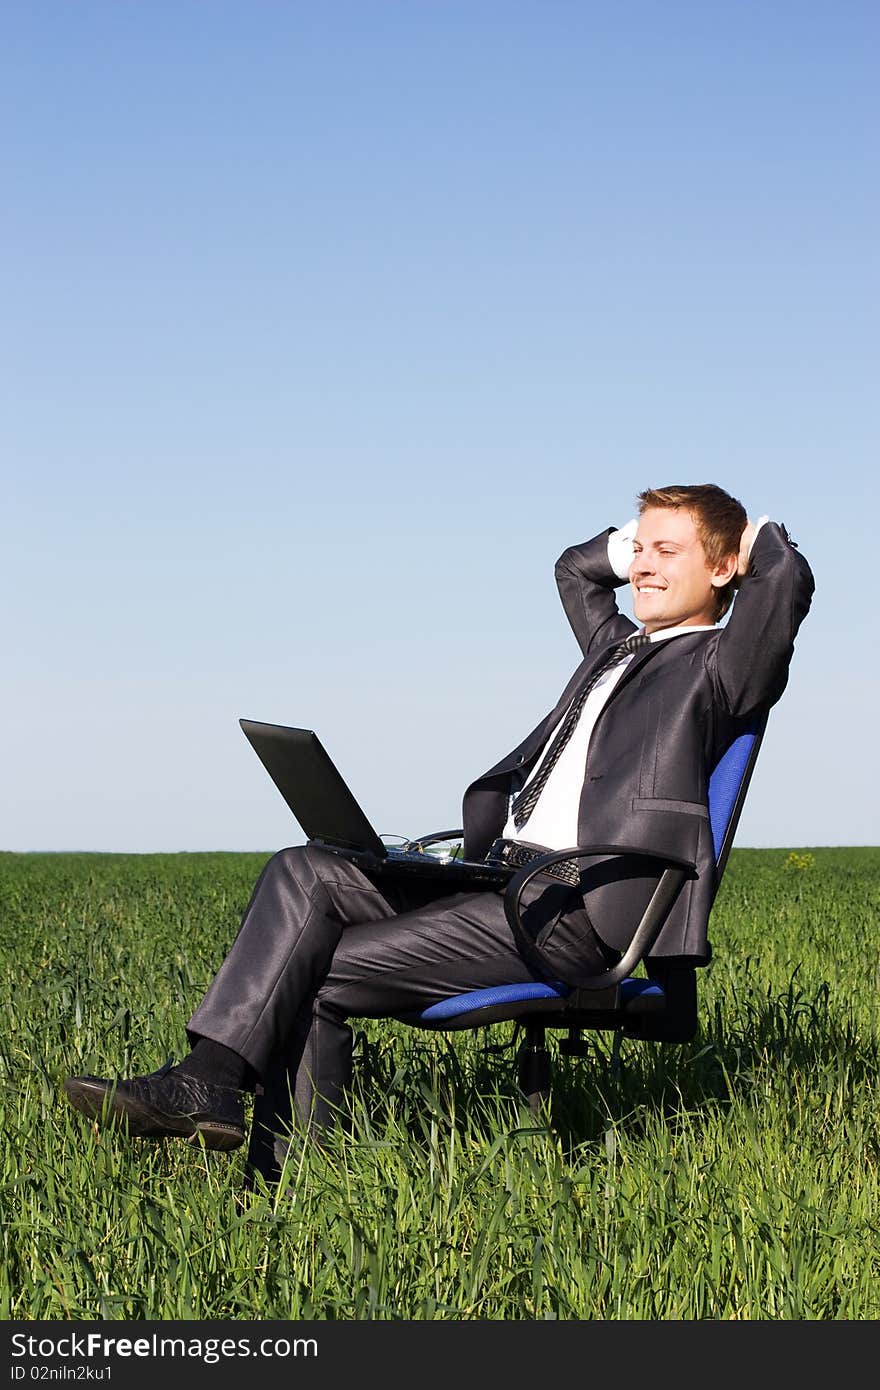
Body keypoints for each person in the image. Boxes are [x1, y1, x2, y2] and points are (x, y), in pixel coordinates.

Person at [64, 483, 814, 1153]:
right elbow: (573, 571)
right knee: (306, 868)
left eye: (667, 552)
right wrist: (636, 546)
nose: (644, 566)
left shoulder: (720, 668)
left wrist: (756, 537)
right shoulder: (615, 649)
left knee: (311, 969)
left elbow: (781, 591)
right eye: (639, 548)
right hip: (500, 881)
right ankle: (212, 1083)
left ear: (721, 570)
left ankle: (287, 1175)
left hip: (574, 910)